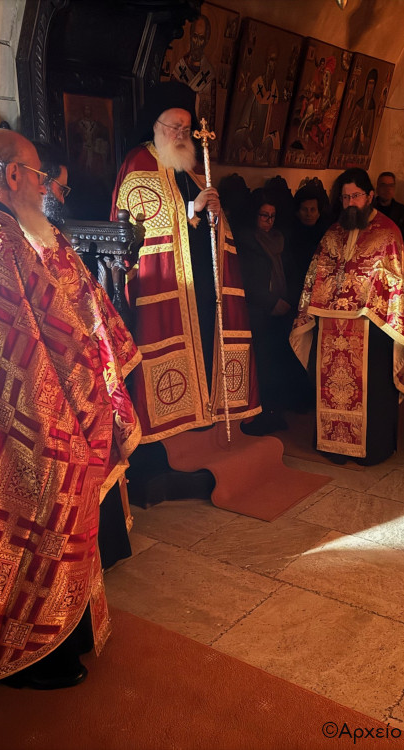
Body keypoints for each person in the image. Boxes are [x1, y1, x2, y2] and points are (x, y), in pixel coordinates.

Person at [0, 128, 141, 698]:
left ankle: (0, 646)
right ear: (12, 174)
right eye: (40, 175)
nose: (45, 187)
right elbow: (57, 334)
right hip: (15, 415)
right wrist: (95, 385)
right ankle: (31, 653)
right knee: (54, 500)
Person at [110, 82, 260, 502]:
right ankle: (167, 445)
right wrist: (192, 211)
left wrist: (211, 215)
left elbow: (211, 231)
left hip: (201, 292)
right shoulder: (138, 165)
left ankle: (207, 418)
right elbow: (137, 233)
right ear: (155, 127)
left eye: (186, 127)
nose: (181, 133)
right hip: (162, 293)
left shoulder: (194, 168)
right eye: (174, 126)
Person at [31, 140, 138, 569]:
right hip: (52, 368)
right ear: (37, 182)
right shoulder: (20, 234)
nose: (61, 198)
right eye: (60, 188)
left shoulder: (47, 230)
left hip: (82, 361)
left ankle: (107, 544)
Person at [291, 168, 404, 465]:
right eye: (345, 196)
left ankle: (372, 449)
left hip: (371, 328)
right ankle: (332, 445)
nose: (350, 202)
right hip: (331, 327)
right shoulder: (333, 232)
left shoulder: (388, 232)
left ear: (370, 196)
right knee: (330, 387)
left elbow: (396, 283)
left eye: (356, 196)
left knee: (372, 390)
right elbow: (317, 276)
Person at [238, 192, 310, 433]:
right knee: (262, 366)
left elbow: (290, 272)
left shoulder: (279, 239)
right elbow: (245, 279)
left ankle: (276, 410)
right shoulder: (246, 241)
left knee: (279, 363)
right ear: (253, 215)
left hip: (282, 311)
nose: (268, 221)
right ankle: (261, 415)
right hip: (258, 313)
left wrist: (287, 300)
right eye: (263, 216)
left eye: (272, 216)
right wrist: (270, 302)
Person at [288, 180, 330, 288]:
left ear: (319, 212)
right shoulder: (289, 235)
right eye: (304, 209)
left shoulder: (327, 235)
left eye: (313, 210)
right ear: (297, 211)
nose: (309, 214)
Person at [374, 172, 404, 264]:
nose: (387, 189)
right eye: (383, 185)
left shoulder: (403, 211)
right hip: (374, 258)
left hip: (395, 258)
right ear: (377, 188)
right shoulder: (369, 210)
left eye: (391, 185)